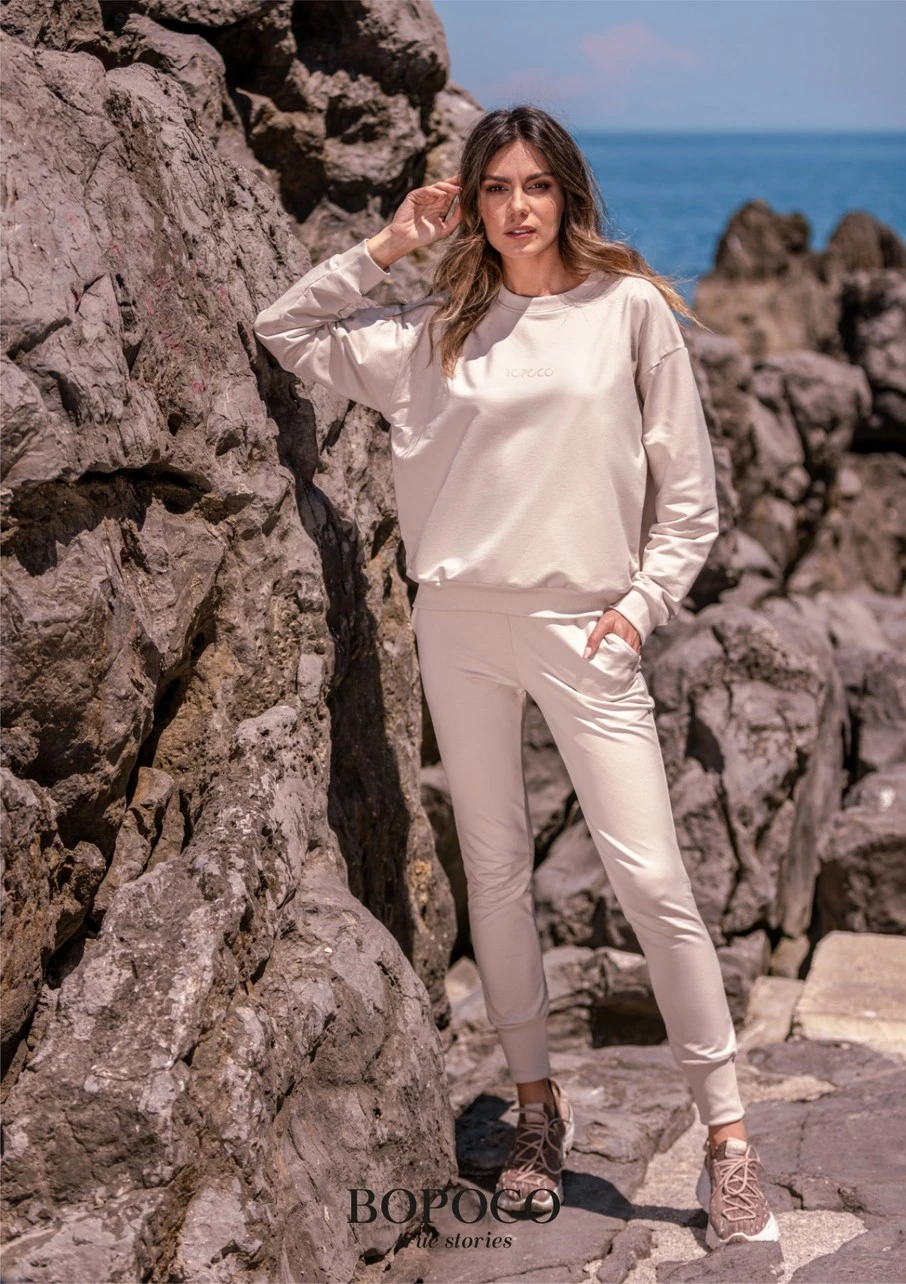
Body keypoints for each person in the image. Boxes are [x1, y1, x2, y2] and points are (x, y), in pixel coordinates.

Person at [253, 104, 780, 1250]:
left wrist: (638, 612)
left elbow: (689, 501)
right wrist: (391, 244)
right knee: (493, 872)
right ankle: (536, 1114)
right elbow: (283, 328)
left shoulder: (628, 310)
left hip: (588, 628)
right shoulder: (431, 333)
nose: (517, 207)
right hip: (458, 624)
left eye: (536, 185)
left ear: (567, 193)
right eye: (495, 187)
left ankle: (729, 1137)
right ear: (472, 203)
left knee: (654, 880)